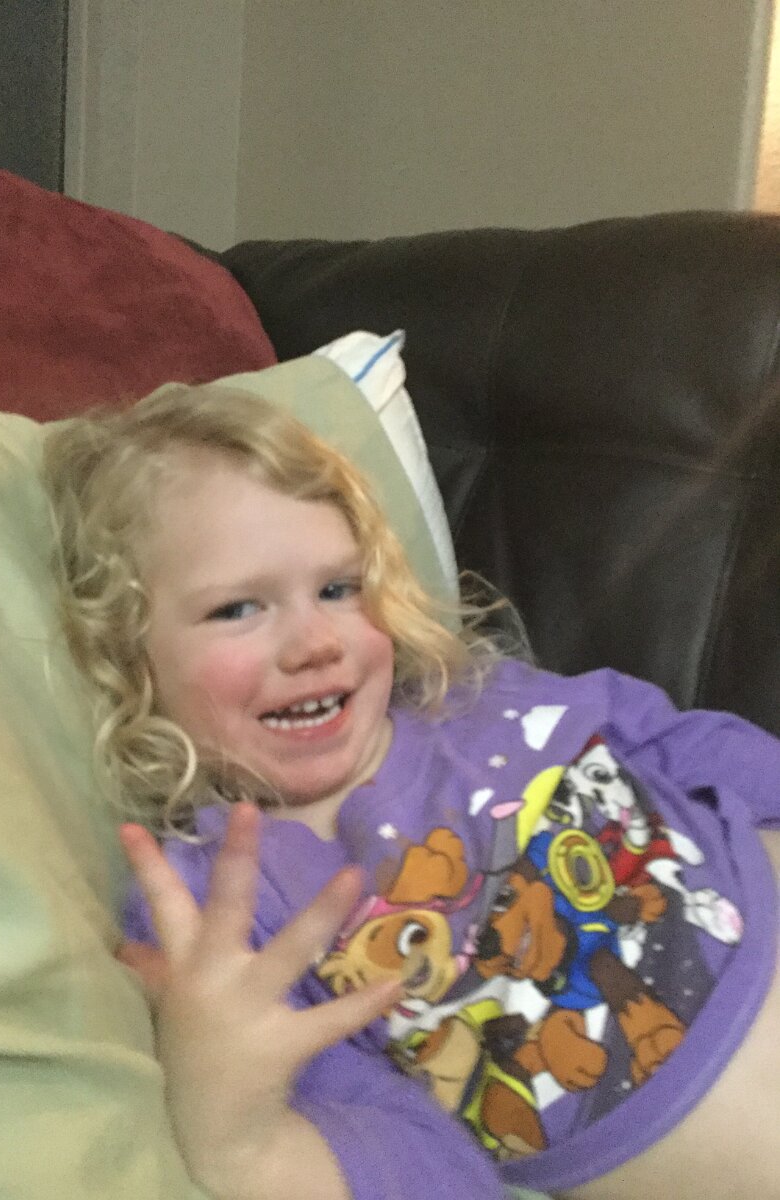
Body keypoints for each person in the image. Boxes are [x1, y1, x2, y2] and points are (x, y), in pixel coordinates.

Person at [44, 380, 780, 1200]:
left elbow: (675, 740)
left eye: (338, 589)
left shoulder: (477, 696)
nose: (316, 642)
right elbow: (424, 1168)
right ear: (128, 655)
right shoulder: (216, 905)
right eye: (239, 608)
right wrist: (236, 1136)